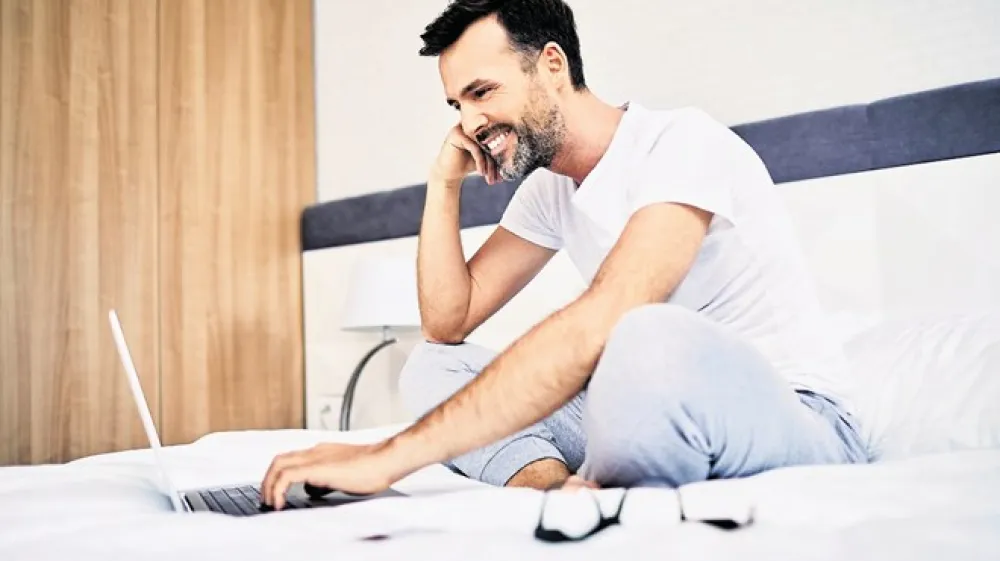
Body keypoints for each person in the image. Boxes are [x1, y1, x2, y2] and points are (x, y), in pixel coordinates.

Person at [260, 0, 868, 509]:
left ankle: (609, 485)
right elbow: (447, 322)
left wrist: (388, 457)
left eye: (481, 92)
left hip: (793, 418)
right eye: (456, 105)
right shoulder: (549, 192)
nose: (470, 122)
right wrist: (442, 185)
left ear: (552, 65)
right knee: (430, 366)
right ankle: (555, 493)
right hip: (637, 403)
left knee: (643, 336)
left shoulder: (681, 142)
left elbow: (609, 315)